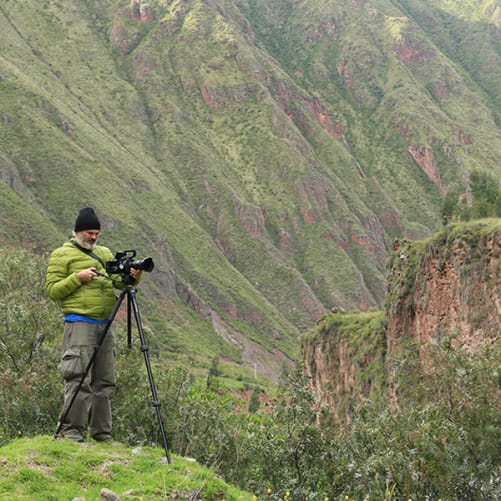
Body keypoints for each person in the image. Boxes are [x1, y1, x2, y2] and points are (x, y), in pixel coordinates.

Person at [46, 207, 141, 442]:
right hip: (79, 323)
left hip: (105, 325)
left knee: (105, 381)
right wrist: (77, 278)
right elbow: (52, 291)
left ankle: (102, 435)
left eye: (96, 233)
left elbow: (119, 283)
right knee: (78, 378)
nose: (93, 237)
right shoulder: (61, 255)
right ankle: (71, 433)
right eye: (89, 232)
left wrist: (134, 276)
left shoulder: (105, 253)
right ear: (78, 232)